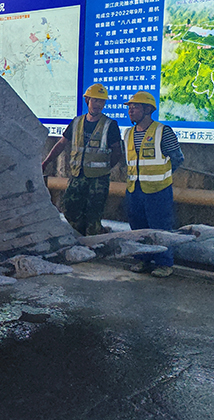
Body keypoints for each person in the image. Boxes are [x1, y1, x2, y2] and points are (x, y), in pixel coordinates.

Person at [42, 84, 122, 236]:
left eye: (101, 101)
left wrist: (105, 168)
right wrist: (46, 162)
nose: (98, 104)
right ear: (87, 100)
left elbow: (117, 151)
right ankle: (80, 237)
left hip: (98, 180)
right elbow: (61, 144)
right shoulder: (77, 122)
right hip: (77, 176)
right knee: (69, 208)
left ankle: (93, 242)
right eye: (95, 100)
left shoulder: (110, 125)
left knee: (93, 215)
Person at [123, 91, 184, 278]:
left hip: (158, 191)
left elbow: (177, 158)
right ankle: (142, 259)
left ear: (148, 109)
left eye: (135, 107)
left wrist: (161, 176)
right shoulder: (128, 133)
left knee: (160, 228)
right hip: (134, 190)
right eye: (130, 107)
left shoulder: (163, 131)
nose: (130, 110)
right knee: (138, 227)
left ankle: (164, 263)